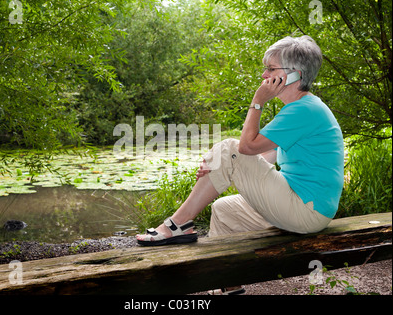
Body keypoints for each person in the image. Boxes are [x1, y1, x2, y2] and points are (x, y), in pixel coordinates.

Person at [136, 35, 344, 246]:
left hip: (306, 210)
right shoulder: (302, 108)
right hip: (302, 205)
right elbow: (263, 157)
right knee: (224, 209)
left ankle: (177, 225)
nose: (264, 75)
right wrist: (217, 165)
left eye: (271, 69)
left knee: (230, 147)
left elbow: (245, 147)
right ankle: (218, 273)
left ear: (294, 75)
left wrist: (257, 102)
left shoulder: (304, 110)